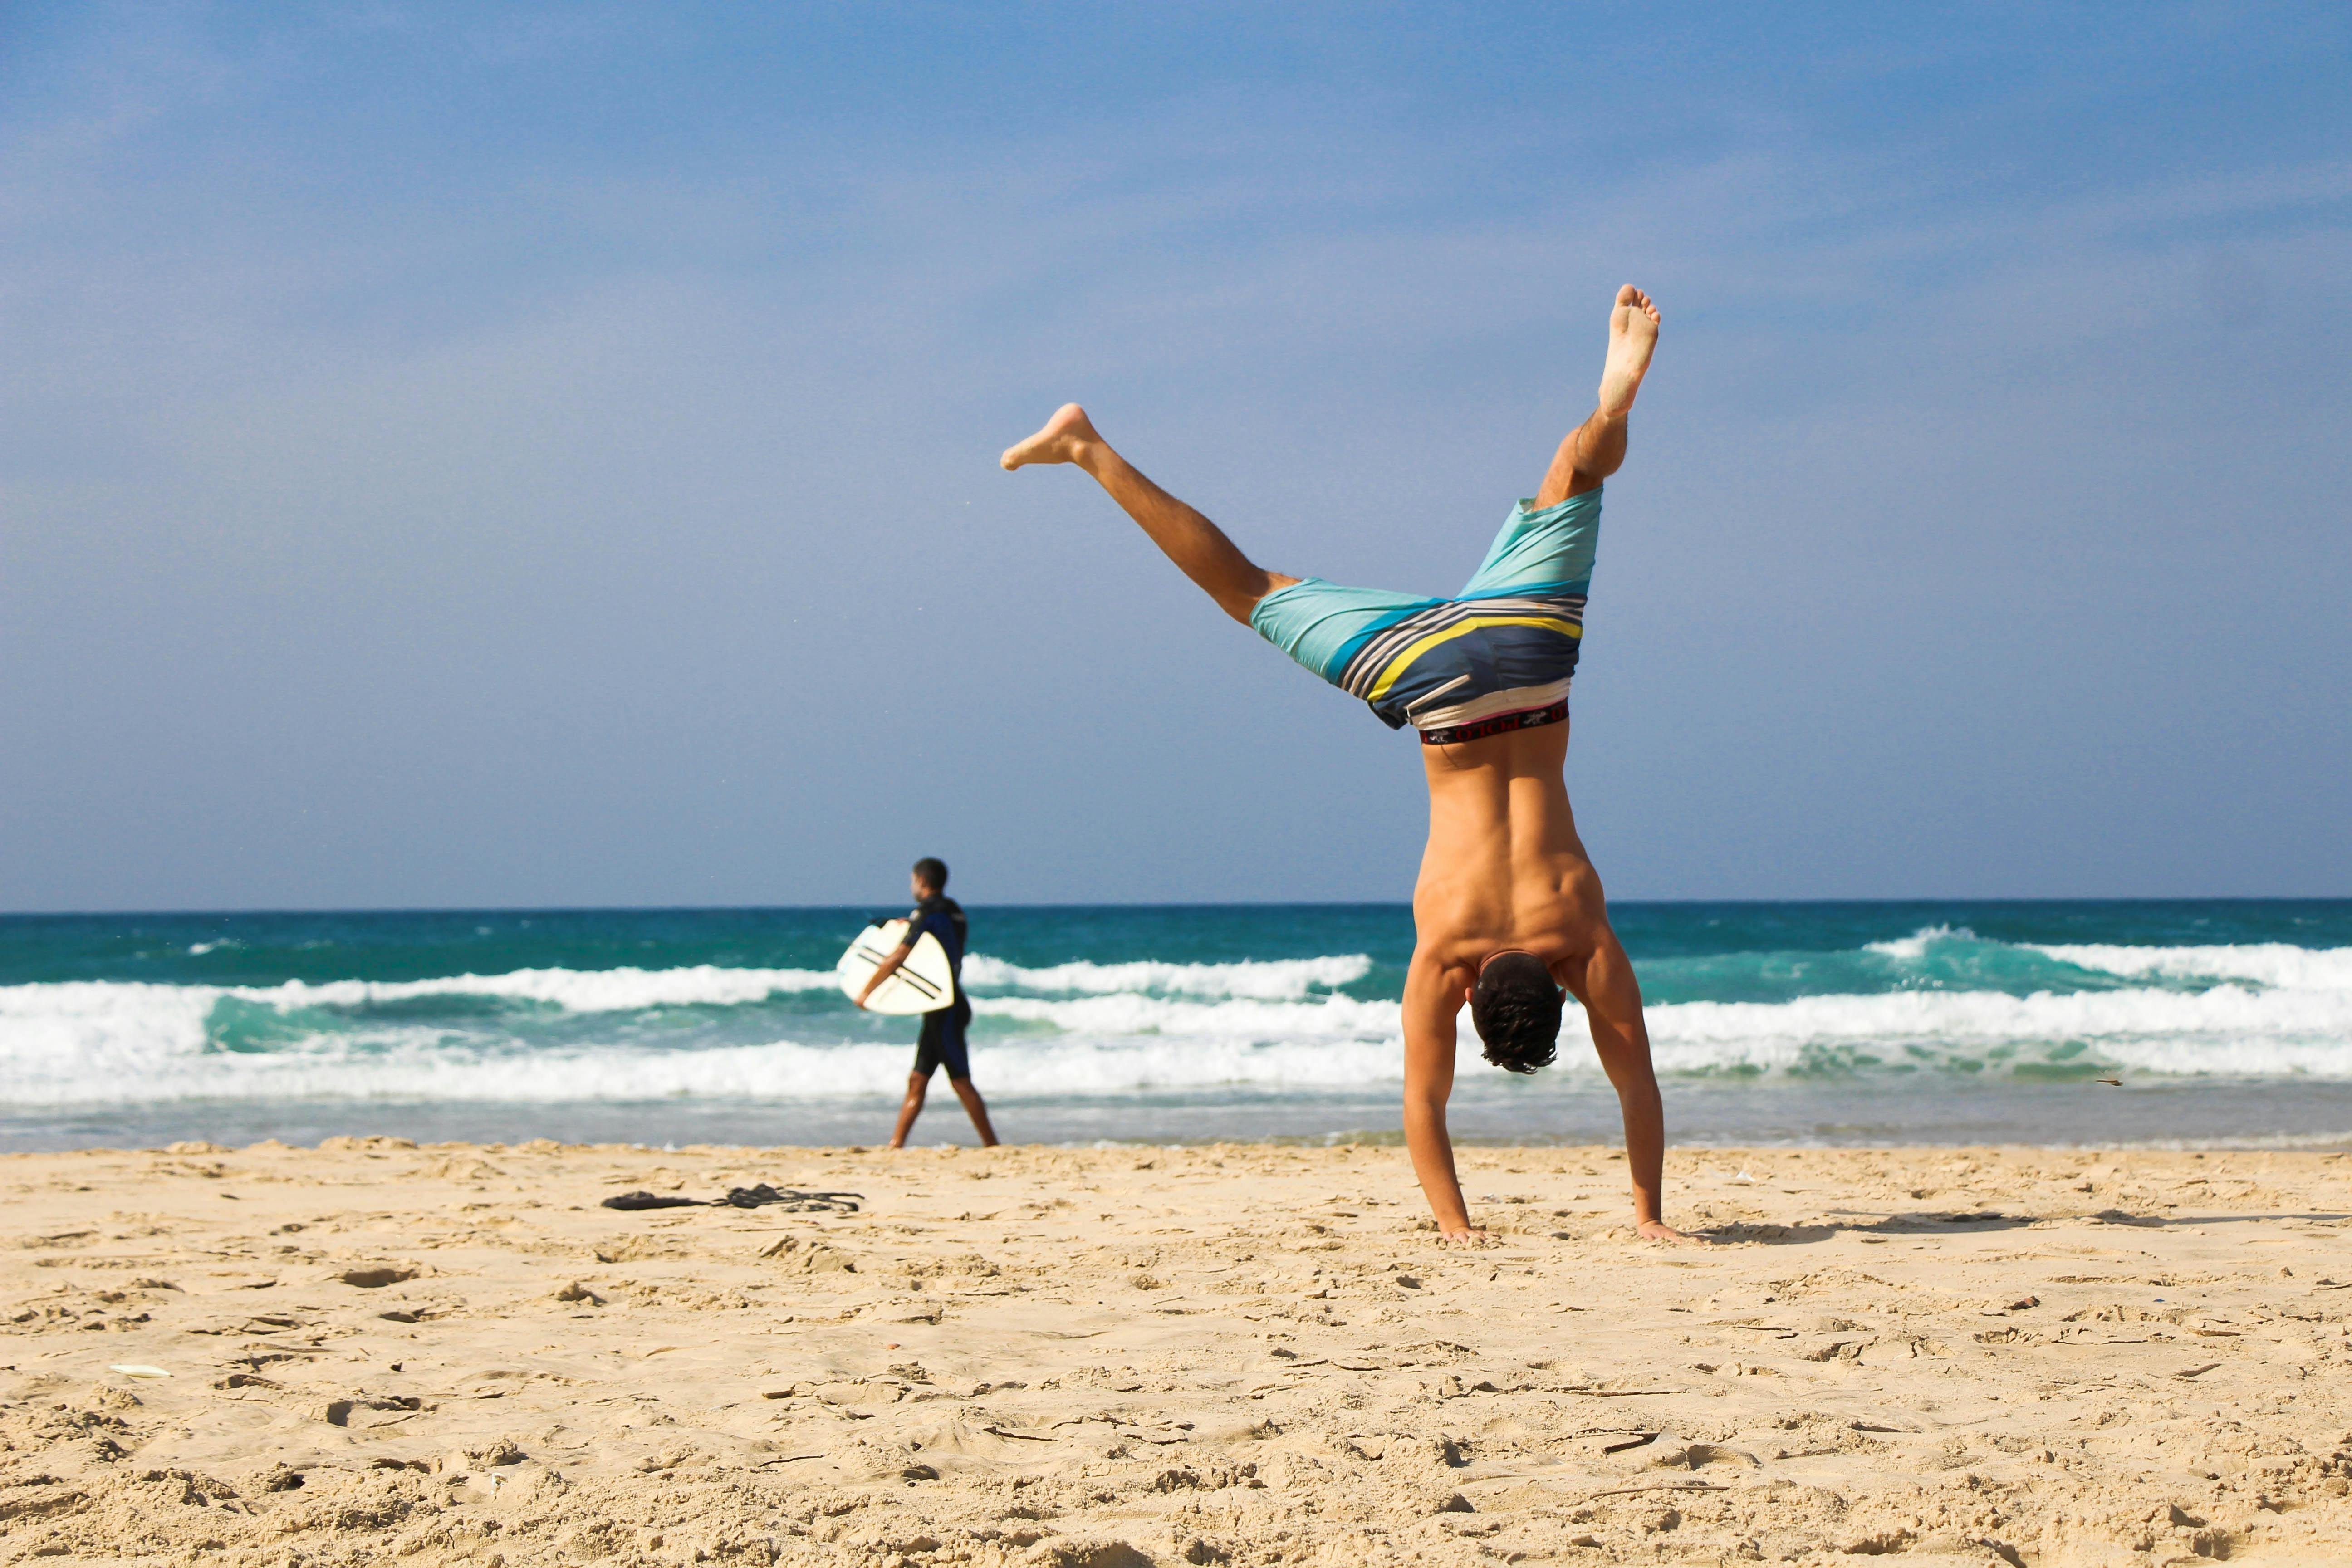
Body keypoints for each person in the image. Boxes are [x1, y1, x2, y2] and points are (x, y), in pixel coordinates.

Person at [1002, 285, 1685, 1242]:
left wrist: (1652, 1214)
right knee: (1246, 589)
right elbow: (1426, 1106)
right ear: (1470, 1001)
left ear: (1559, 989)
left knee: (1578, 473)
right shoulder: (1448, 954)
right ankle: (1086, 448)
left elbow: (1641, 1086)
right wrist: (1459, 1227)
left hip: (1529, 659)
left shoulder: (1581, 937)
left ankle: (1610, 407)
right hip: (1435, 693)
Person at [853, 857, 1000, 1149]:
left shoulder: (927, 913)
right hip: (946, 1005)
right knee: (918, 1080)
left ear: (921, 880)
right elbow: (939, 943)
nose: (911, 886)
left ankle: (992, 1146)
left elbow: (899, 957)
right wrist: (907, 924)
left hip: (945, 1009)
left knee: (960, 1080)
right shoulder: (954, 911)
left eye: (912, 881)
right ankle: (896, 1145)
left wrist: (866, 991)